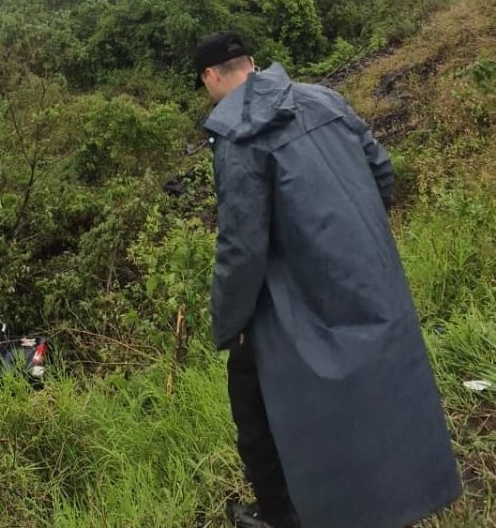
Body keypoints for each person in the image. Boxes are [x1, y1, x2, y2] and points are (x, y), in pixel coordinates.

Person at [194, 30, 462, 528]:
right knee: (382, 390)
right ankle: (394, 501)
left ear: (210, 77)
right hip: (366, 273)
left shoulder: (238, 135)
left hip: (294, 298)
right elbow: (382, 172)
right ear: (251, 62)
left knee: (254, 408)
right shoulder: (324, 97)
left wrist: (230, 323)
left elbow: (242, 245)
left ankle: (278, 515)